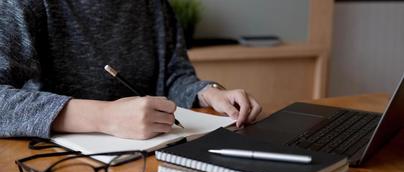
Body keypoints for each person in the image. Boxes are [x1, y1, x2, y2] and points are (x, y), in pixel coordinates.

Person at [0, 0, 261, 140]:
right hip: (54, 168)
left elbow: (173, 75)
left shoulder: (154, 6)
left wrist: (207, 92)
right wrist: (104, 117)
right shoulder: (25, 4)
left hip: (147, 158)